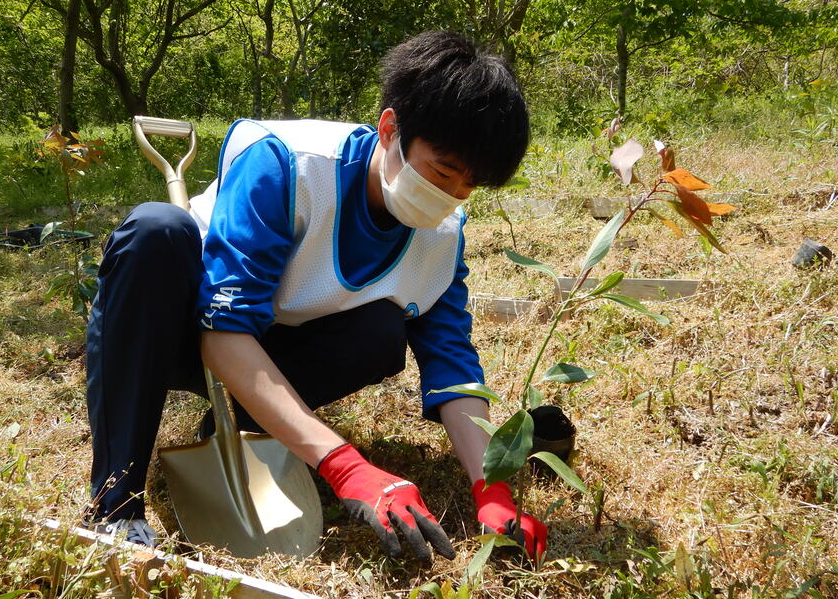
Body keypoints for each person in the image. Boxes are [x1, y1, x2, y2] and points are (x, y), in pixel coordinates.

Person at [85, 30, 548, 562]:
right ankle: (115, 505)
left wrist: (492, 490)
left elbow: (453, 366)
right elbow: (224, 335)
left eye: (468, 187)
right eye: (441, 172)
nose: (450, 196)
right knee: (154, 231)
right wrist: (345, 466)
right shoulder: (289, 164)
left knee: (381, 332)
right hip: (180, 332)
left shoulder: (441, 238)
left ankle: (249, 423)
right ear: (390, 128)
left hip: (274, 348)